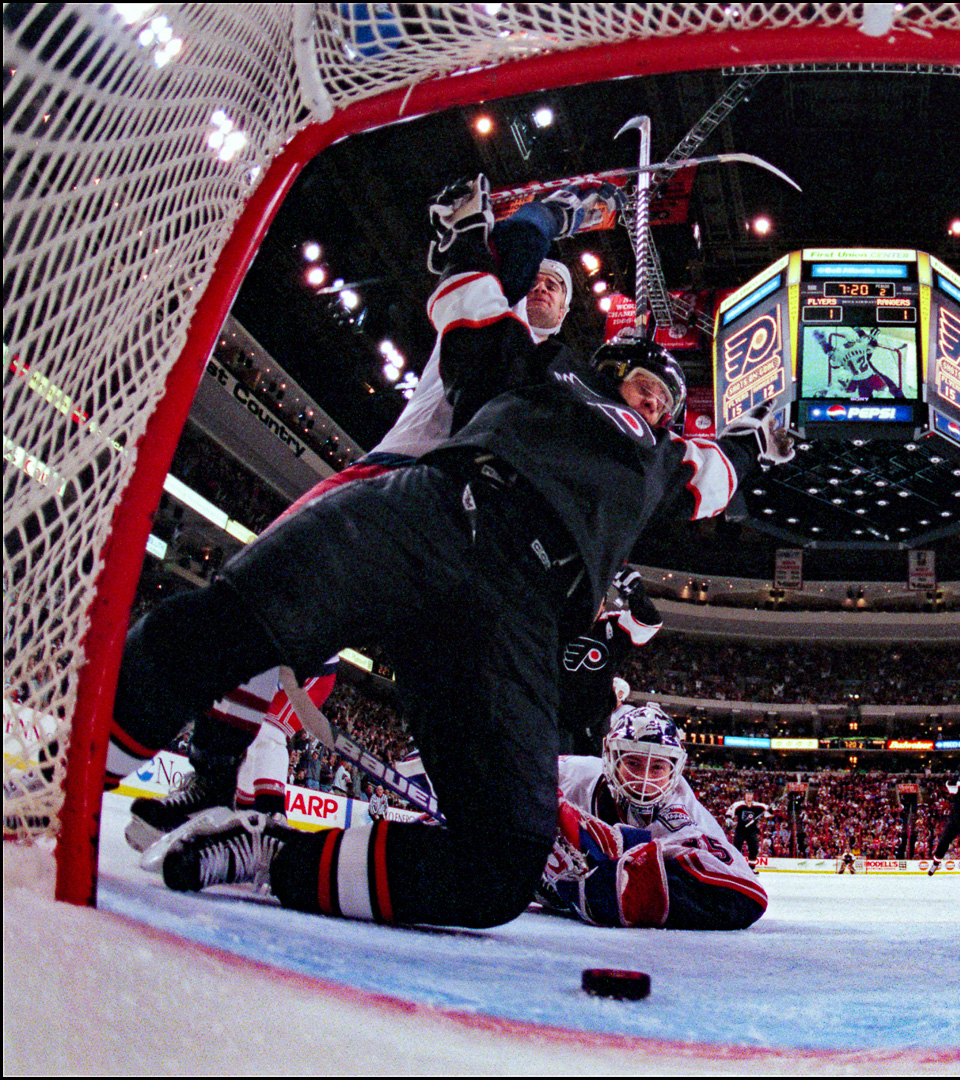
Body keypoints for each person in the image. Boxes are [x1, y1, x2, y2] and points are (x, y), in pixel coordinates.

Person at [121, 175, 796, 930]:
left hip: (518, 613)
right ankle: (84, 776)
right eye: (643, 387)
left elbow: (722, 472)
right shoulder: (546, 371)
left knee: (501, 867)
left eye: (665, 404)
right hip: (442, 512)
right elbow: (476, 302)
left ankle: (268, 856)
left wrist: (764, 437)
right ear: (605, 369)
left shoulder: (662, 462)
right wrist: (535, 222)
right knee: (233, 625)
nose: (652, 407)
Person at [121, 176, 580, 851]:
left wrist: (550, 215)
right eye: (536, 278)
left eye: (558, 285)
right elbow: (510, 254)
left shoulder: (564, 381)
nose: (542, 286)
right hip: (402, 484)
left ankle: (487, 839)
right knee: (263, 613)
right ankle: (215, 776)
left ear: (572, 309)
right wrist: (545, 221)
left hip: (470, 536)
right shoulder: (494, 319)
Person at [534, 703, 765, 930]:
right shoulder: (570, 774)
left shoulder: (686, 818)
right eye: (633, 762)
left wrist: (619, 882)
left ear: (674, 770)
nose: (644, 778)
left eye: (657, 767)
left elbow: (747, 897)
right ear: (611, 758)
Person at [556, 565, 660, 757]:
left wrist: (635, 592)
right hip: (552, 717)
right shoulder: (556, 621)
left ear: (602, 603)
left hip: (593, 723)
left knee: (590, 777)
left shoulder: (613, 625)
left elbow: (649, 623)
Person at [726, 789, 771, 869]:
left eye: (750, 794)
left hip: (752, 830)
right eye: (747, 794)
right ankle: (736, 867)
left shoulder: (759, 806)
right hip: (740, 830)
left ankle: (751, 868)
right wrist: (728, 818)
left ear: (753, 796)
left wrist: (772, 809)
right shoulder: (738, 805)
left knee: (754, 849)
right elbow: (729, 812)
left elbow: (769, 813)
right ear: (745, 796)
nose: (749, 796)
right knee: (736, 848)